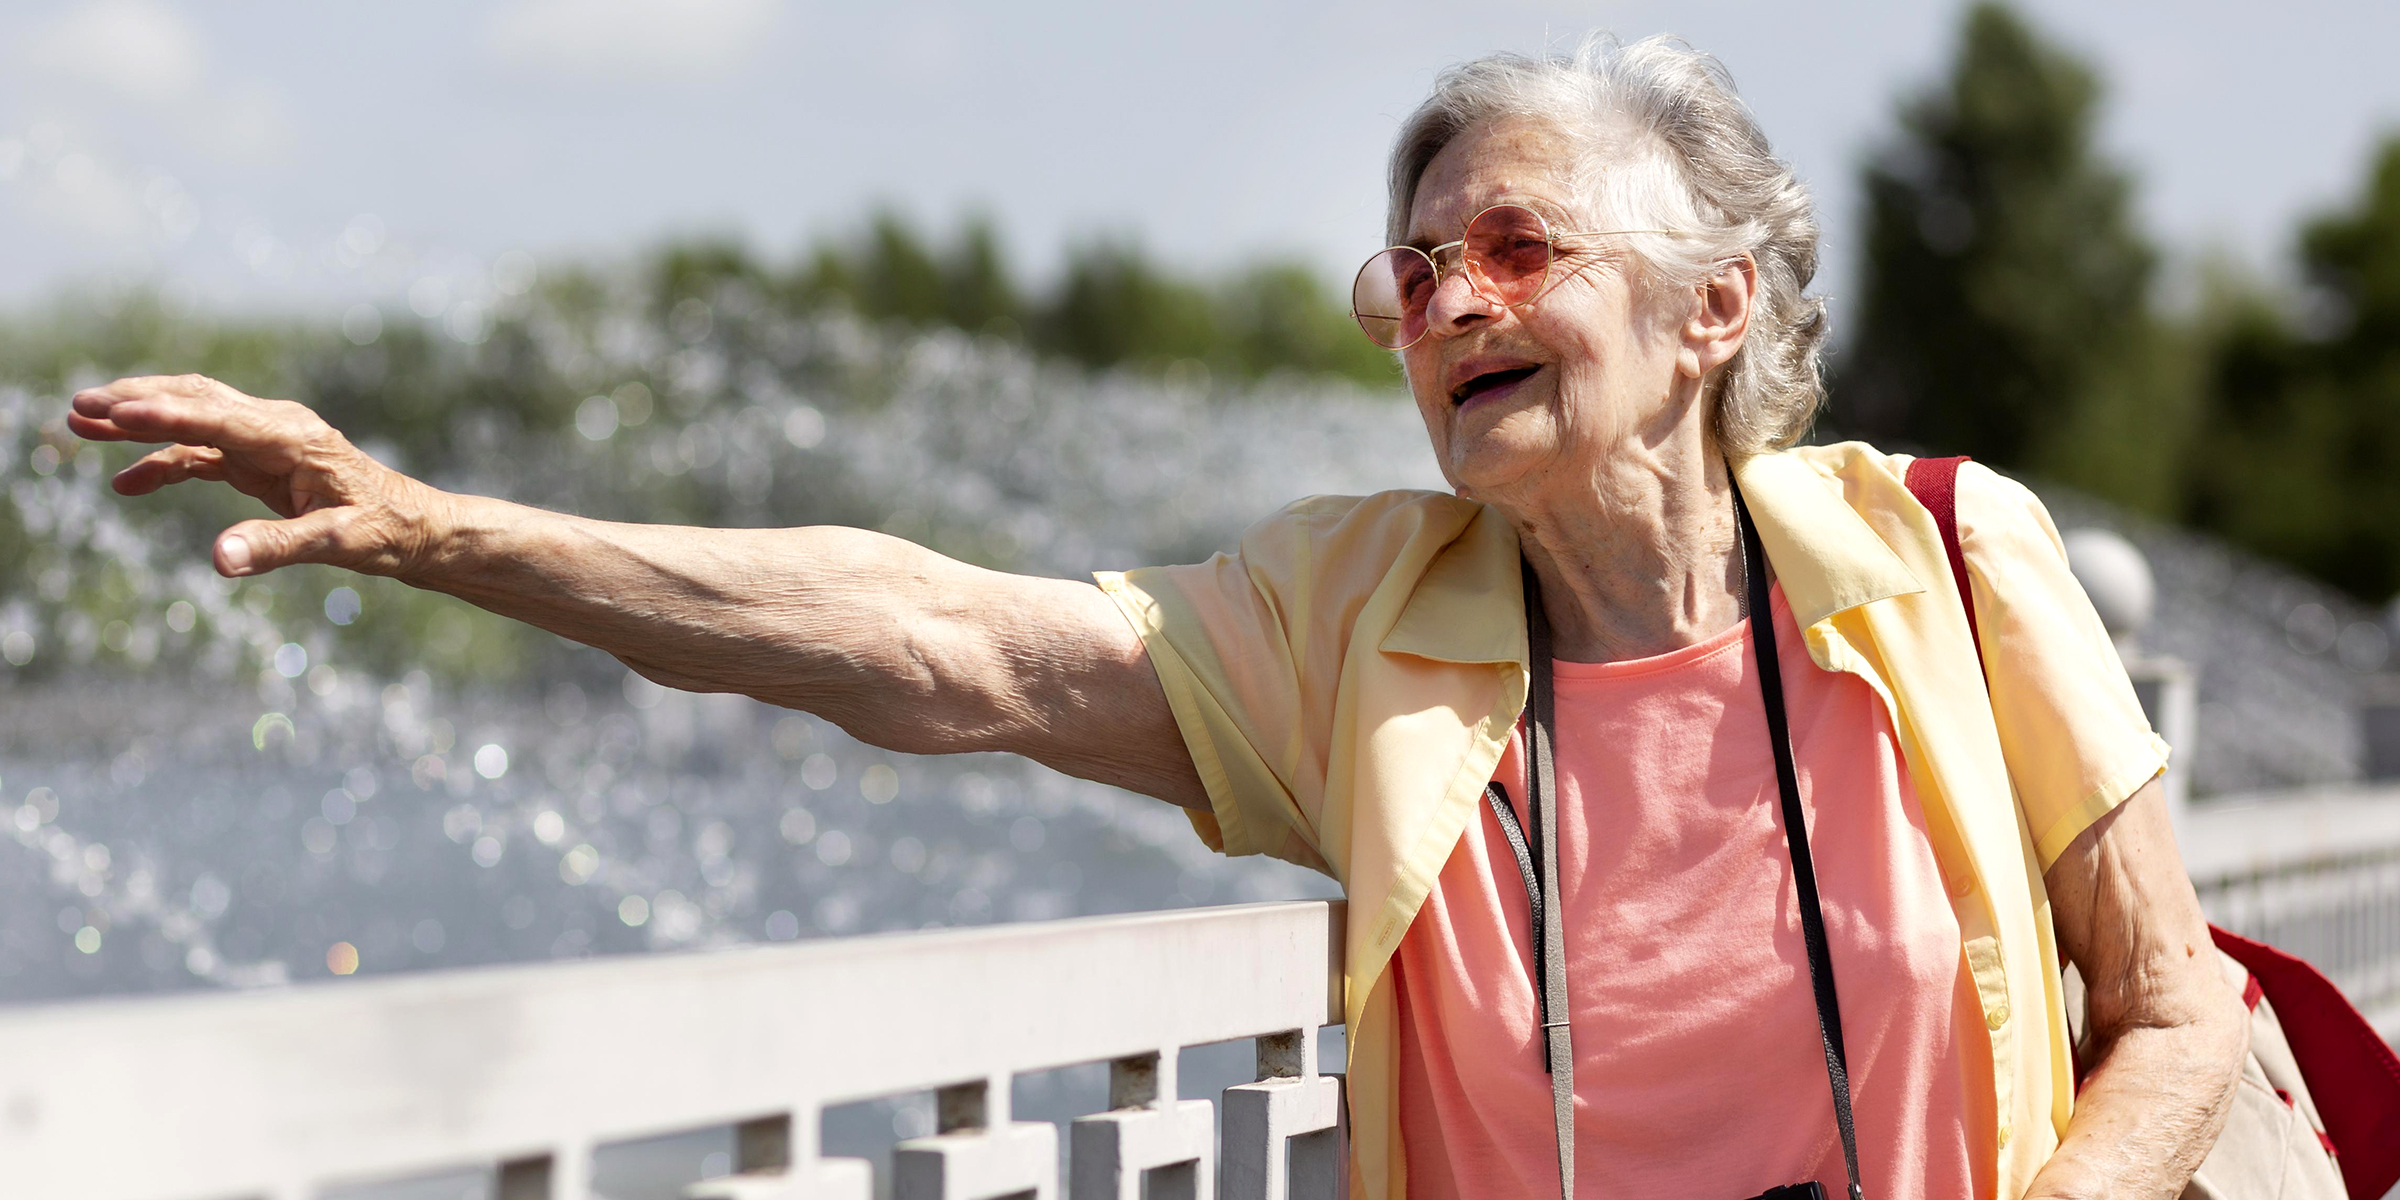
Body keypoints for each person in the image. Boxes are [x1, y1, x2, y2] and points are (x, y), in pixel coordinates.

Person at [69, 33, 2244, 1200]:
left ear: (1708, 311)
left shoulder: (1943, 561)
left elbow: (2175, 1012)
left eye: (1515, 245)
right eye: (1414, 276)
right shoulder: (1365, 626)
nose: (1451, 307)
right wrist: (439, 526)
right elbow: (934, 637)